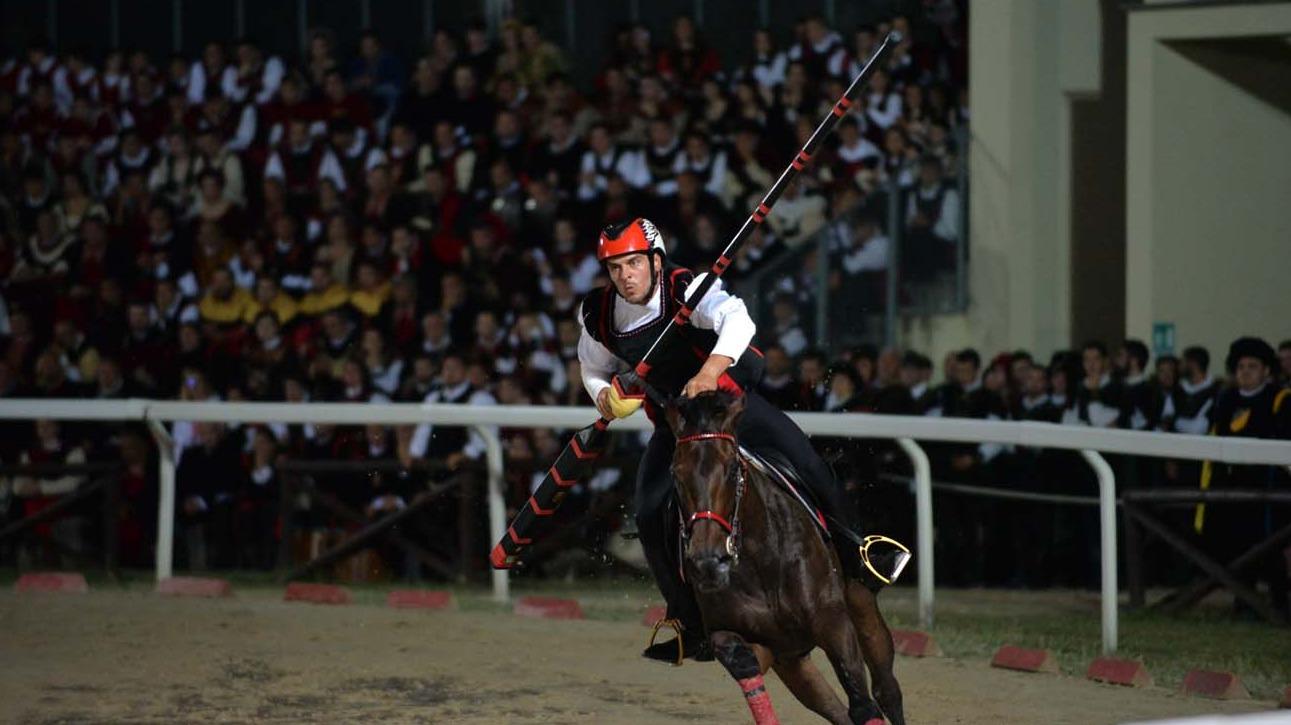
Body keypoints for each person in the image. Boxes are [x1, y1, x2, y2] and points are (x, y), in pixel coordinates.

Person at [576, 217, 898, 663]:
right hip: (678, 426)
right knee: (649, 513)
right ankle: (690, 623)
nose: (625, 276)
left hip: (729, 406)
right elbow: (592, 366)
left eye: (633, 263)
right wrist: (604, 397)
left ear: (654, 259)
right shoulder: (599, 313)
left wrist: (710, 372)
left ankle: (859, 552)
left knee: (807, 462)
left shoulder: (689, 287)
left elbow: (738, 320)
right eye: (614, 268)